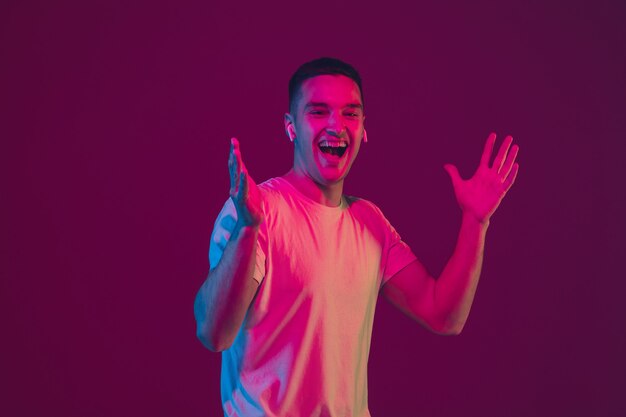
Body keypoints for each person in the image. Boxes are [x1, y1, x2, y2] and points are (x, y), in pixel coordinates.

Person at [194, 57, 519, 417]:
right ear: (291, 127)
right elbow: (214, 333)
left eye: (350, 113)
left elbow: (444, 315)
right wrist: (248, 230)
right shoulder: (258, 210)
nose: (336, 125)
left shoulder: (371, 223)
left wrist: (475, 221)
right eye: (319, 112)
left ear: (364, 128)